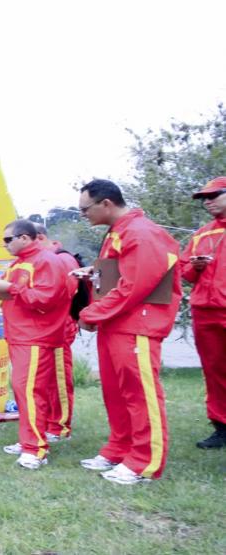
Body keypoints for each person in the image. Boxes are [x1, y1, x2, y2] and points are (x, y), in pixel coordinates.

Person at [76, 179, 181, 485]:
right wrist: (93, 278)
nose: (83, 214)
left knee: (138, 392)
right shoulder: (118, 233)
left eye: (85, 209)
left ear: (106, 203)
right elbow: (117, 276)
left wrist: (92, 312)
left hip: (137, 324)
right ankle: (119, 448)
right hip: (116, 323)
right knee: (115, 391)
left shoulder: (141, 232)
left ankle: (144, 461)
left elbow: (135, 285)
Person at [0, 219, 71, 470]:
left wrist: (10, 288)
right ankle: (29, 441)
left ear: (25, 238)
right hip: (19, 335)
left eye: (8, 240)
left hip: (35, 336)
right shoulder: (19, 263)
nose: (5, 246)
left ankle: (35, 448)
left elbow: (47, 299)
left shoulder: (46, 261)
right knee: (25, 390)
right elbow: (9, 294)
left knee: (29, 390)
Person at [180, 176, 226, 449]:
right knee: (215, 371)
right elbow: (185, 272)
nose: (207, 202)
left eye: (213, 196)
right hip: (205, 312)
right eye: (203, 199)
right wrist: (195, 267)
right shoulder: (202, 234)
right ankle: (221, 427)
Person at [33, 223, 81, 441]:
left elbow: (66, 292)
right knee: (45, 378)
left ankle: (60, 426)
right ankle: (48, 421)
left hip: (60, 326)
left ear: (40, 238)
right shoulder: (40, 260)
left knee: (59, 377)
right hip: (43, 327)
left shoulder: (62, 259)